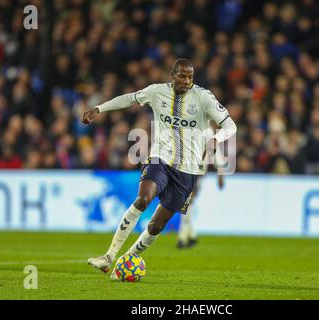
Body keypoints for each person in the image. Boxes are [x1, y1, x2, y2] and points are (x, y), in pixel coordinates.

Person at [82, 58, 237, 278]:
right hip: (160, 159)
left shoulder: (203, 98)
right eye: (182, 76)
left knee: (156, 225)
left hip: (188, 170)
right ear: (172, 75)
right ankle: (109, 256)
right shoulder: (156, 92)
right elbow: (129, 99)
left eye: (190, 77)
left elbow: (231, 125)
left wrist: (216, 139)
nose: (186, 81)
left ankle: (125, 261)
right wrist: (99, 108)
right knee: (143, 199)